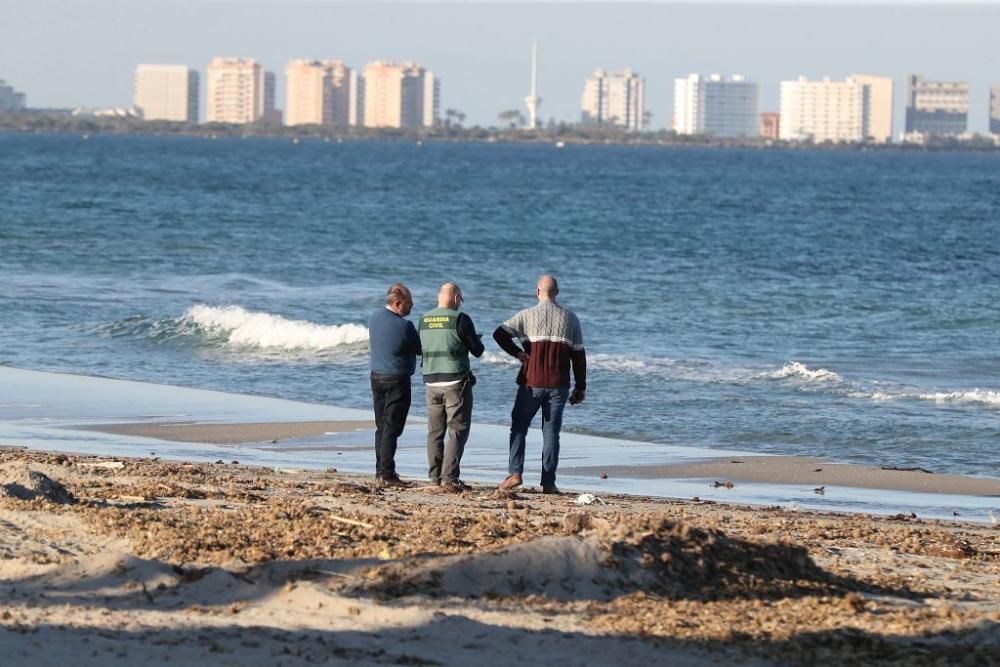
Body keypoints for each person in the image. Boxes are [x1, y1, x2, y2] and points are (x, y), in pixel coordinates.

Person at [493, 275, 587, 494]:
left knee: (519, 427)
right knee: (551, 433)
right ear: (557, 292)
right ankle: (548, 482)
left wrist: (518, 353)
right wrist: (580, 386)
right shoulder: (570, 318)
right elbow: (579, 356)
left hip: (531, 382)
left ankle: (515, 473)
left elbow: (499, 334)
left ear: (537, 292)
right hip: (559, 384)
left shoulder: (526, 315)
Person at [419, 282, 485, 491]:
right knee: (457, 429)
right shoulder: (461, 319)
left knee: (434, 431)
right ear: (456, 298)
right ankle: (450, 477)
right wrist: (473, 341)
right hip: (456, 381)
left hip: (431, 380)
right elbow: (477, 350)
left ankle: (434, 477)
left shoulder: (424, 319)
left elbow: (422, 348)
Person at [368, 283, 421, 487]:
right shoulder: (405, 326)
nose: (411, 308)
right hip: (396, 379)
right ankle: (387, 474)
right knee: (392, 428)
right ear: (398, 304)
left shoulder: (374, 317)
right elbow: (419, 348)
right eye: (409, 304)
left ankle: (380, 471)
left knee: (381, 427)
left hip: (376, 377)